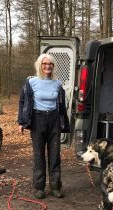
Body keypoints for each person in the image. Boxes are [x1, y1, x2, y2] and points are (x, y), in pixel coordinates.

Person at [18, 53, 67, 199]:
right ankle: (39, 187)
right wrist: (21, 121)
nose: (48, 66)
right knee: (39, 155)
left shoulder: (58, 84)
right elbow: (22, 102)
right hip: (37, 120)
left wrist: (64, 121)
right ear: (40, 65)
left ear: (53, 66)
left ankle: (55, 187)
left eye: (50, 64)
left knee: (55, 155)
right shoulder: (31, 82)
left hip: (54, 120)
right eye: (45, 63)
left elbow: (61, 105)